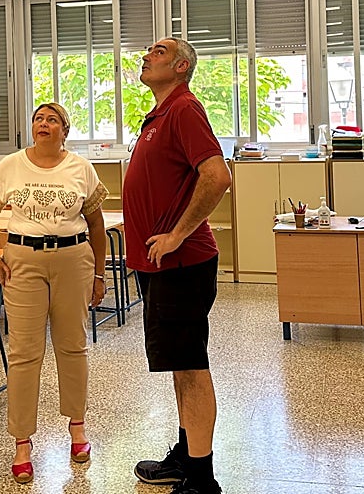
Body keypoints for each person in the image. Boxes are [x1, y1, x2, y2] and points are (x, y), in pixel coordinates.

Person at [0, 102, 109, 485]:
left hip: (73, 260)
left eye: (52, 120)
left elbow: (96, 225)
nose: (43, 124)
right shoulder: (12, 164)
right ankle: (22, 442)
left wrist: (100, 274)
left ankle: (78, 428)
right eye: (37, 119)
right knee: (24, 353)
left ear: (65, 130)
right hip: (22, 261)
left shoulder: (80, 167)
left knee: (72, 345)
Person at [123, 37, 232, 494]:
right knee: (178, 364)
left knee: (190, 366)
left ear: (182, 66)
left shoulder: (185, 109)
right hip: (159, 266)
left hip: (181, 264)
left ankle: (202, 480)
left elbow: (217, 176)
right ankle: (186, 457)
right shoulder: (160, 114)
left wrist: (178, 234)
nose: (146, 56)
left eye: (159, 51)